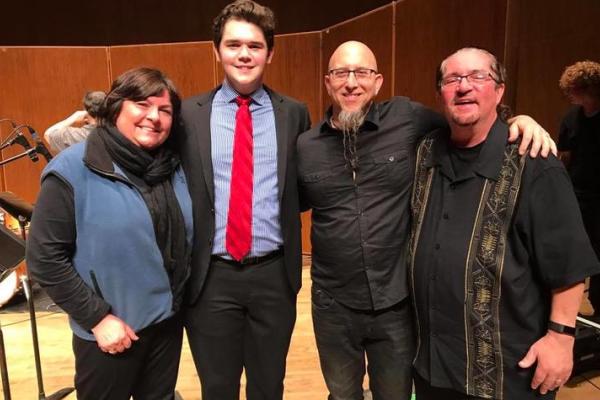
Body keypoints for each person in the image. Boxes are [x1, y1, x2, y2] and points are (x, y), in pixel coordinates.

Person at [296, 41, 555, 400]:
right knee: (341, 394)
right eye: (341, 73)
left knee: (396, 394)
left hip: (395, 303)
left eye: (362, 73)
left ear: (378, 81)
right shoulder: (306, 147)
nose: (351, 82)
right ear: (328, 82)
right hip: (332, 304)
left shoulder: (407, 118)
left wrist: (517, 120)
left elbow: (466, 118)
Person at [408, 47, 600, 400]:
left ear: (499, 90)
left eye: (478, 77)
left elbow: (569, 264)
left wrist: (561, 338)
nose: (464, 87)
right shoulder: (425, 154)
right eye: (453, 79)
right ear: (440, 93)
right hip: (433, 365)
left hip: (507, 374)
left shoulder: (535, 163)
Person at [27, 67, 193, 400]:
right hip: (110, 333)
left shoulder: (171, 167)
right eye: (142, 105)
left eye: (165, 110)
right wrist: (98, 319)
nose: (154, 117)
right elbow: (45, 260)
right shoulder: (71, 170)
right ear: (116, 107)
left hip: (166, 325)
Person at [176, 1, 311, 399]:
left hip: (274, 276)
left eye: (254, 45)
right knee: (217, 388)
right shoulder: (188, 115)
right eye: (233, 44)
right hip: (210, 277)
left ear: (271, 52)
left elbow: (300, 191)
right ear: (216, 50)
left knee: (269, 387)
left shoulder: (295, 114)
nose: (244, 54)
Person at [558, 60, 600, 319]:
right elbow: (566, 156)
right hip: (578, 192)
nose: (569, 96)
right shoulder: (571, 118)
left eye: (573, 90)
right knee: (573, 248)